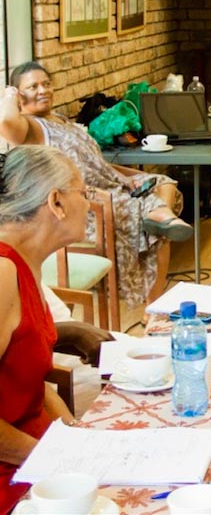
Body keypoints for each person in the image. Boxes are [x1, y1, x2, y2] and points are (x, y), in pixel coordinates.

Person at [0, 62, 193, 305]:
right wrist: (8, 94)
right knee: (157, 234)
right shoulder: (29, 127)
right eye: (33, 86)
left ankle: (159, 216)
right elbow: (5, 120)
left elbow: (96, 161)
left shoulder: (59, 119)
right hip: (86, 202)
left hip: (110, 183)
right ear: (19, 93)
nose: (43, 90)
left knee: (164, 182)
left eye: (46, 84)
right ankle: (154, 303)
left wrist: (125, 177)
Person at [0, 146, 84, 513]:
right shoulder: (2, 273)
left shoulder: (26, 265)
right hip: (12, 471)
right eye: (83, 192)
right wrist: (49, 460)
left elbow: (34, 383)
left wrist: (73, 435)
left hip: (33, 452)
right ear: (56, 202)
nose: (89, 202)